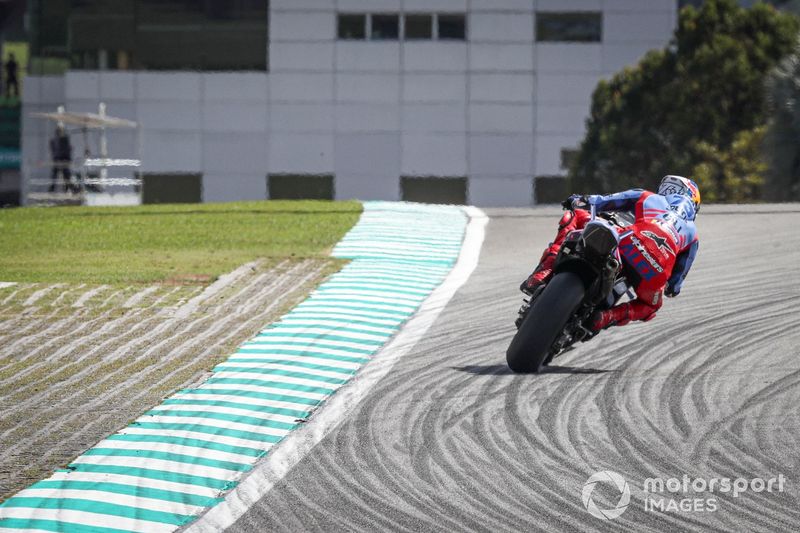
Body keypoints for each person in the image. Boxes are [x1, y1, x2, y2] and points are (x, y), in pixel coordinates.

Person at [520, 175, 700, 332]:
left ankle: (544, 271)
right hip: (655, 274)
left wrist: (577, 200)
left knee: (576, 215)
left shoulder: (648, 197)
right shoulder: (693, 235)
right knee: (650, 306)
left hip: (628, 244)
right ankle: (607, 317)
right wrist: (668, 287)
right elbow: (674, 287)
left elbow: (601, 201)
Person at [48, 125, 73, 192]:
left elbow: (67, 150)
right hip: (58, 160)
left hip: (62, 160)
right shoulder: (54, 140)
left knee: (66, 175)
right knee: (56, 175)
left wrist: (67, 159)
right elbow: (54, 150)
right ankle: (52, 189)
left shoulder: (64, 140)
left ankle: (68, 189)